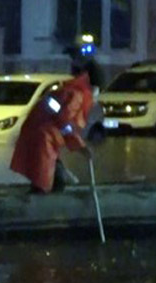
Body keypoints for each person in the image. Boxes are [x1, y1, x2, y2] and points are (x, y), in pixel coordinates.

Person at [10, 58, 95, 193]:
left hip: (39, 134)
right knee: (45, 181)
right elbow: (64, 122)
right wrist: (81, 146)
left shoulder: (67, 91)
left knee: (46, 176)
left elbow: (58, 117)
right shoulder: (77, 96)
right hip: (44, 138)